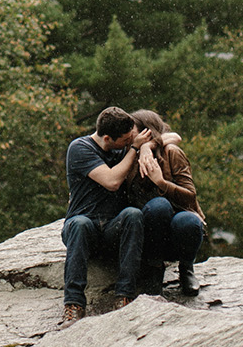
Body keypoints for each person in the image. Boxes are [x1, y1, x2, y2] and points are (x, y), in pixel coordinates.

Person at [60, 106, 151, 327]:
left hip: (113, 226)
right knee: (80, 224)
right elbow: (111, 181)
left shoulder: (122, 145)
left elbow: (167, 136)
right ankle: (73, 304)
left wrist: (146, 147)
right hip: (84, 225)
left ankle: (124, 296)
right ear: (108, 138)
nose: (130, 142)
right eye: (125, 140)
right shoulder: (80, 148)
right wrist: (134, 151)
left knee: (133, 215)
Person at [126, 108, 206, 298]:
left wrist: (161, 182)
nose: (129, 135)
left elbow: (190, 196)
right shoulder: (129, 154)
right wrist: (144, 148)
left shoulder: (172, 153)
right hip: (147, 234)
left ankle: (186, 268)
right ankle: (154, 269)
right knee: (158, 206)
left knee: (186, 220)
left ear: (146, 132)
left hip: (175, 232)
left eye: (133, 130)